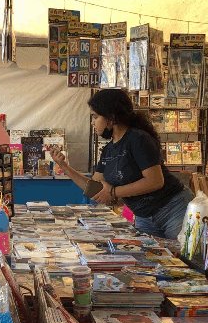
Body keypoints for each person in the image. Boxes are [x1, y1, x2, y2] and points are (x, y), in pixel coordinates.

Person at [50, 88, 194, 239]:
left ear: (111, 118)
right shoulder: (108, 150)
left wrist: (113, 192)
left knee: (183, 258)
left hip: (172, 208)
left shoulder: (138, 139)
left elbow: (155, 181)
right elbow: (95, 188)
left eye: (95, 117)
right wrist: (65, 167)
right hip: (144, 216)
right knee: (150, 258)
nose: (92, 122)